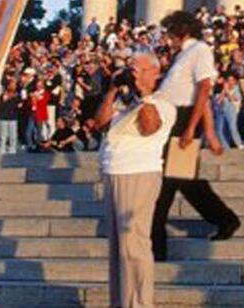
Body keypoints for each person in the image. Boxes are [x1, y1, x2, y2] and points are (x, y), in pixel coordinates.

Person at [150, 10, 241, 262]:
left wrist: (194, 128)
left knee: (168, 185)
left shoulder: (199, 50)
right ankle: (225, 219)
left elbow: (204, 90)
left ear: (182, 31)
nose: (167, 38)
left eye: (170, 32)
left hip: (183, 119)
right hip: (173, 120)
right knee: (182, 181)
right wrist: (209, 133)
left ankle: (156, 245)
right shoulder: (183, 55)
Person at [96, 51, 174, 308]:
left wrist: (144, 95)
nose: (133, 74)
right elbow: (100, 122)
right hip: (113, 172)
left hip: (139, 173)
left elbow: (150, 127)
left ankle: (140, 303)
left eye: (138, 69)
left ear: (155, 73)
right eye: (131, 69)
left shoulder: (163, 102)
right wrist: (112, 90)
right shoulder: (124, 101)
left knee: (135, 245)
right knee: (118, 249)